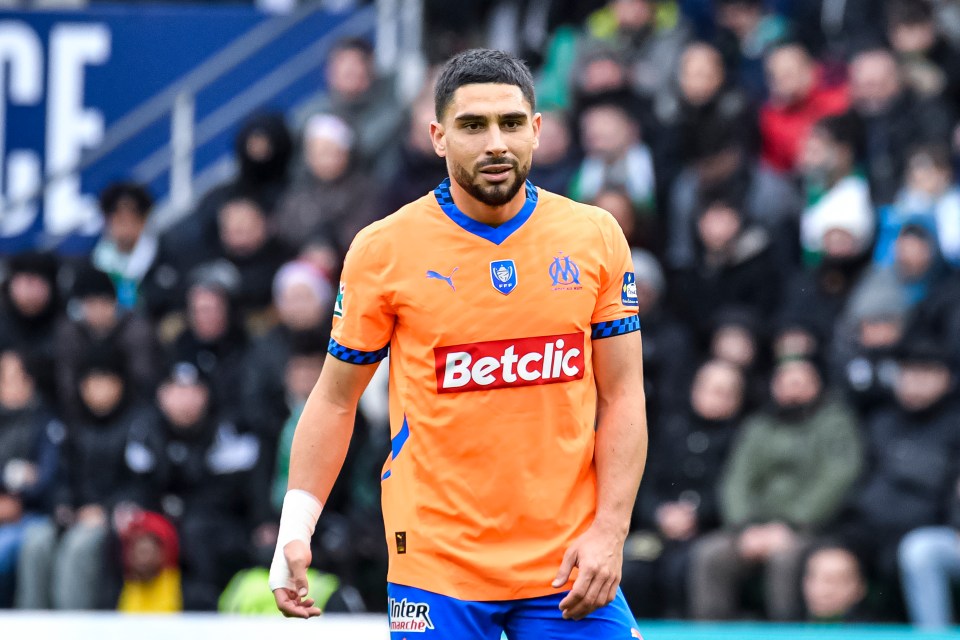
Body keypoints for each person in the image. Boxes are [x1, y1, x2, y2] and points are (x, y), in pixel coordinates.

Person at [269, 49, 648, 639]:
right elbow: (336, 400)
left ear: (538, 130)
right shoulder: (383, 250)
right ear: (438, 137)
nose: (495, 142)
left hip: (568, 560)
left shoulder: (594, 236)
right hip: (436, 564)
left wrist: (611, 529)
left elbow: (624, 396)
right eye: (473, 125)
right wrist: (295, 525)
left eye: (512, 123)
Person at [689, 357, 863, 621]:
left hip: (813, 529)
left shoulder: (835, 423)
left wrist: (791, 525)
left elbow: (837, 479)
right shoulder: (758, 425)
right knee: (710, 554)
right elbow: (736, 479)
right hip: (753, 529)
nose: (793, 388)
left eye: (801, 381)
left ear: (817, 385)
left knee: (785, 560)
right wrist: (744, 526)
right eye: (785, 381)